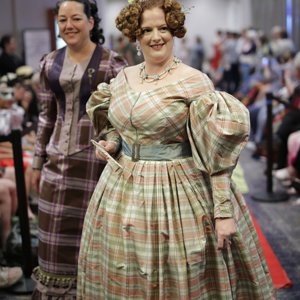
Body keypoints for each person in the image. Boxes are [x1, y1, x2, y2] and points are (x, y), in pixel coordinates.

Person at [77, 0, 275, 299]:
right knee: (124, 271)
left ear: (175, 30)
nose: (156, 36)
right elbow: (119, 125)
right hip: (122, 189)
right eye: (147, 29)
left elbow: (217, 155)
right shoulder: (124, 78)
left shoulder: (194, 82)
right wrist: (113, 142)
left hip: (179, 190)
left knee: (179, 274)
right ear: (136, 34)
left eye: (164, 28)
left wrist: (223, 213)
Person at [30, 0, 127, 298]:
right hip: (56, 165)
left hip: (96, 165)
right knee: (53, 241)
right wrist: (36, 163)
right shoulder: (49, 63)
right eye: (62, 20)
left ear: (91, 22)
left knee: (93, 240)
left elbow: (122, 120)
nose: (68, 25)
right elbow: (46, 117)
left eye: (75, 18)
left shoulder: (113, 63)